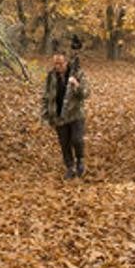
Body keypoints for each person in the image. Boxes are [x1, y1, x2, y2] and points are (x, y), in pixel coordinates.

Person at [41, 41, 90, 179]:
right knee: (64, 144)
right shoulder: (51, 76)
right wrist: (46, 114)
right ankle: (70, 167)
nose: (58, 67)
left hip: (75, 114)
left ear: (66, 62)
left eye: (60, 64)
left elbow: (86, 94)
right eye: (55, 64)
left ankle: (80, 160)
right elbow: (46, 95)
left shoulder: (77, 73)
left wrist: (76, 85)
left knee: (77, 140)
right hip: (58, 115)